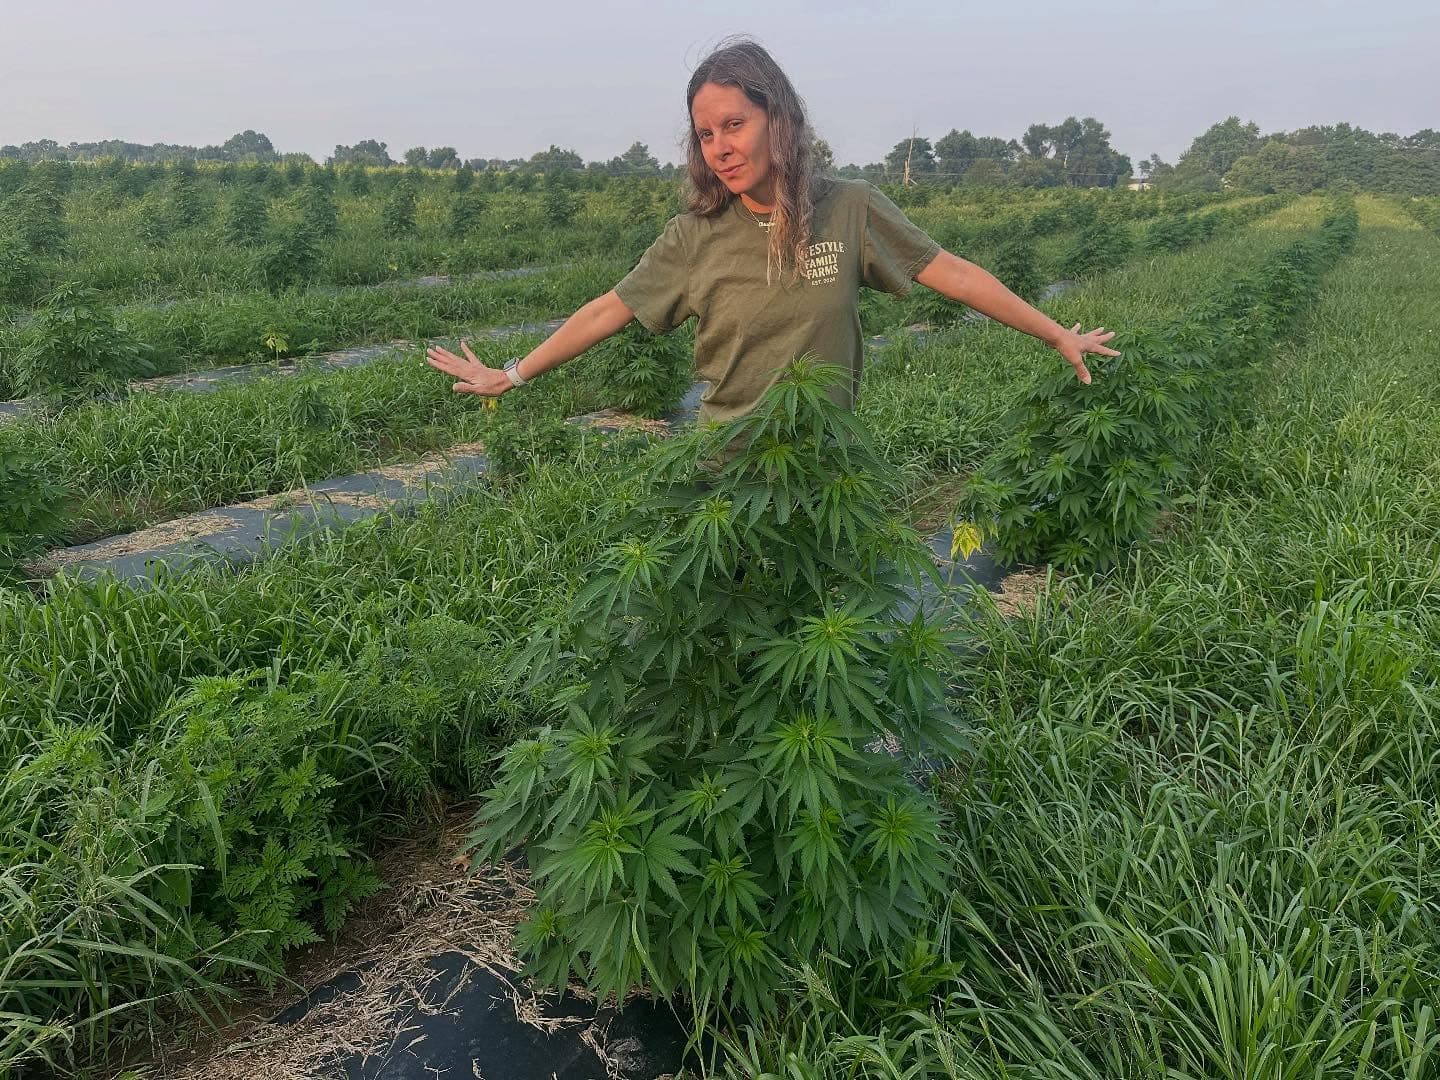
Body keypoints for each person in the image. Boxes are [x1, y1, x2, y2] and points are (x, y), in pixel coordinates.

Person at [425, 37, 1119, 428]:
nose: (720, 147)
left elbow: (955, 274)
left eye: (735, 124)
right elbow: (608, 309)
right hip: (732, 473)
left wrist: (1056, 332)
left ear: (777, 120)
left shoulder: (850, 209)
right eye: (705, 134)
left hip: (827, 468)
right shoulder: (694, 236)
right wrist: (510, 375)